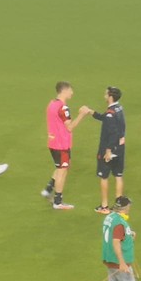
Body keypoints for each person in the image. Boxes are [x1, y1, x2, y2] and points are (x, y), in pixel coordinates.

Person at [41, 81, 90, 210]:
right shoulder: (63, 108)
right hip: (61, 144)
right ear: (64, 90)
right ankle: (58, 202)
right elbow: (70, 127)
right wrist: (82, 114)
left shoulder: (52, 104)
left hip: (53, 142)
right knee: (62, 171)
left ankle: (48, 189)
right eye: (70, 90)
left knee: (63, 166)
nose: (72, 92)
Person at [99, 196, 137, 281]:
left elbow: (114, 233)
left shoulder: (110, 217)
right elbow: (116, 242)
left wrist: (129, 234)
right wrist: (122, 263)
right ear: (125, 207)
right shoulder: (120, 223)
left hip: (108, 257)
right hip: (118, 260)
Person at [91, 87, 126, 214]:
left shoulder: (110, 113)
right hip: (120, 148)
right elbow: (106, 118)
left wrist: (108, 150)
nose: (104, 96)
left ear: (110, 96)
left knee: (104, 177)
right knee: (118, 176)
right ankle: (119, 206)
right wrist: (92, 112)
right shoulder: (118, 108)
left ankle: (104, 207)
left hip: (109, 149)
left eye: (106, 94)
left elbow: (112, 132)